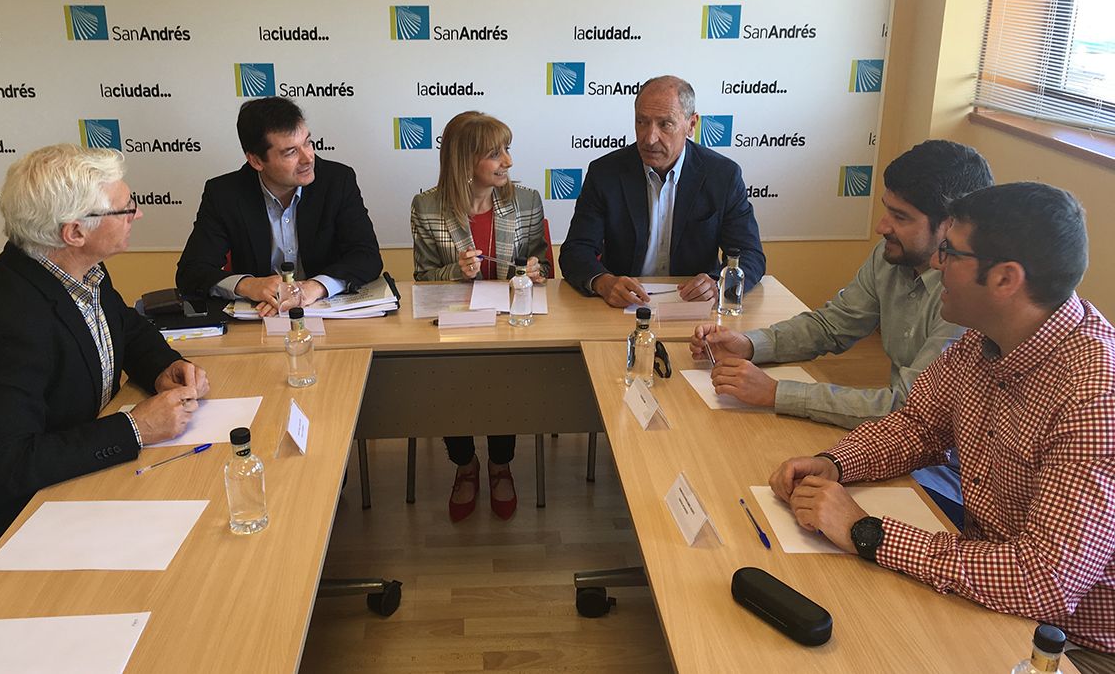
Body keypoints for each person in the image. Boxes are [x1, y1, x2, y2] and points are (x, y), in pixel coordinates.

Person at [769, 182, 1114, 672]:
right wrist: (834, 462)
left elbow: (1044, 583)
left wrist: (865, 531)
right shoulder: (983, 339)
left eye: (951, 252)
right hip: (985, 583)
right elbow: (918, 426)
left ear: (1005, 279)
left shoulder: (1094, 395)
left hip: (1076, 645)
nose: (935, 263)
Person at [0, 144, 209, 597]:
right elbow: (7, 466)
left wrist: (164, 366)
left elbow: (127, 328)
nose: (137, 215)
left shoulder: (79, 270)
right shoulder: (7, 321)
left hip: (70, 482)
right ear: (75, 231)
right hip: (7, 532)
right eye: (125, 208)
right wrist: (135, 428)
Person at [690, 140, 993, 523]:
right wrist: (751, 344)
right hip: (897, 449)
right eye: (887, 211)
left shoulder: (967, 298)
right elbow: (832, 325)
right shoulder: (893, 257)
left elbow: (907, 411)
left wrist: (777, 392)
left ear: (950, 225)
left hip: (947, 483)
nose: (882, 226)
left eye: (900, 217)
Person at [410, 111, 551, 522]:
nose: (507, 161)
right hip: (453, 325)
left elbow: (538, 260)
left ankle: (500, 464)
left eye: (507, 150)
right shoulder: (427, 207)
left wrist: (535, 271)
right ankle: (465, 463)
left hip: (509, 325)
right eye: (495, 154)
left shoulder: (524, 202)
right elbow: (422, 279)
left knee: (502, 375)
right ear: (463, 162)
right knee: (449, 377)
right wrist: (457, 271)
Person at [559, 74, 765, 308]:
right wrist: (604, 282)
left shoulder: (723, 176)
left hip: (695, 308)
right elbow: (576, 250)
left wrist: (717, 286)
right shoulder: (605, 173)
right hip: (622, 307)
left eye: (665, 124)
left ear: (691, 125)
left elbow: (750, 256)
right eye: (642, 122)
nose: (650, 138)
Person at [176, 96, 383, 317]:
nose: (308, 158)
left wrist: (315, 287)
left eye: (307, 143)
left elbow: (367, 256)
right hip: (261, 319)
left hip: (327, 315)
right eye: (291, 152)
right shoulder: (224, 194)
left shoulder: (337, 181)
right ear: (256, 161)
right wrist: (249, 285)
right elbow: (191, 272)